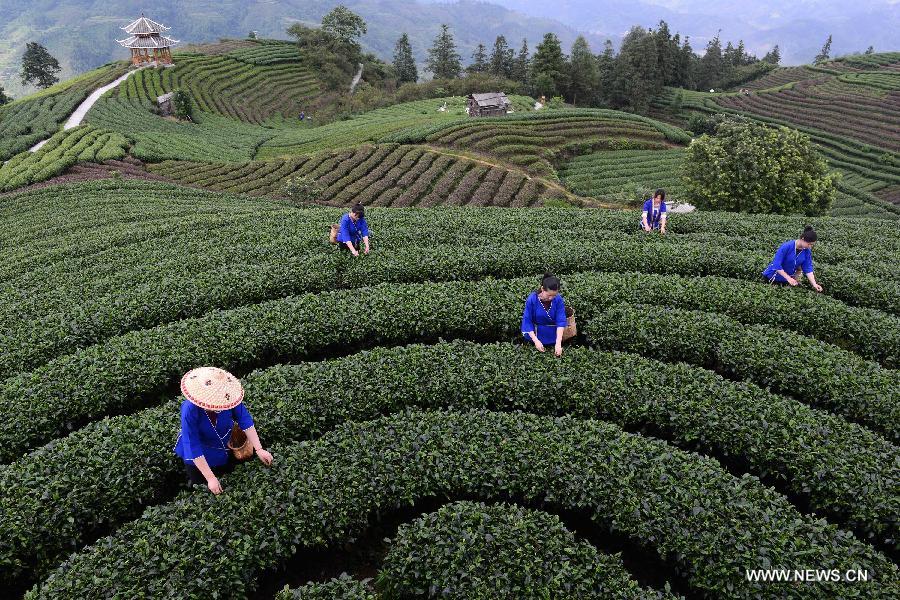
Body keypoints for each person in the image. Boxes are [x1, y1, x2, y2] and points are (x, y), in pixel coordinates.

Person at [174, 366, 274, 495]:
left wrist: (259, 449)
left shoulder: (228, 397)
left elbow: (245, 420)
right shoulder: (189, 409)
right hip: (199, 454)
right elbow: (192, 443)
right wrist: (210, 478)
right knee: (204, 489)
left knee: (227, 480)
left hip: (223, 446)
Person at [762, 225, 823, 292]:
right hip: (772, 278)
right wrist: (788, 278)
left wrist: (814, 284)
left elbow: (808, 267)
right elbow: (776, 265)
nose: (810, 247)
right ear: (802, 239)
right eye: (809, 244)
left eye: (812, 245)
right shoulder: (787, 246)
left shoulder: (807, 251)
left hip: (786, 281)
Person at [521, 273, 569, 357]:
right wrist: (536, 341)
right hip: (535, 334)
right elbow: (527, 321)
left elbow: (561, 320)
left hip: (554, 335)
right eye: (549, 295)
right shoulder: (532, 299)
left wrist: (558, 344)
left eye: (554, 295)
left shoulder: (558, 299)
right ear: (542, 289)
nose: (551, 298)